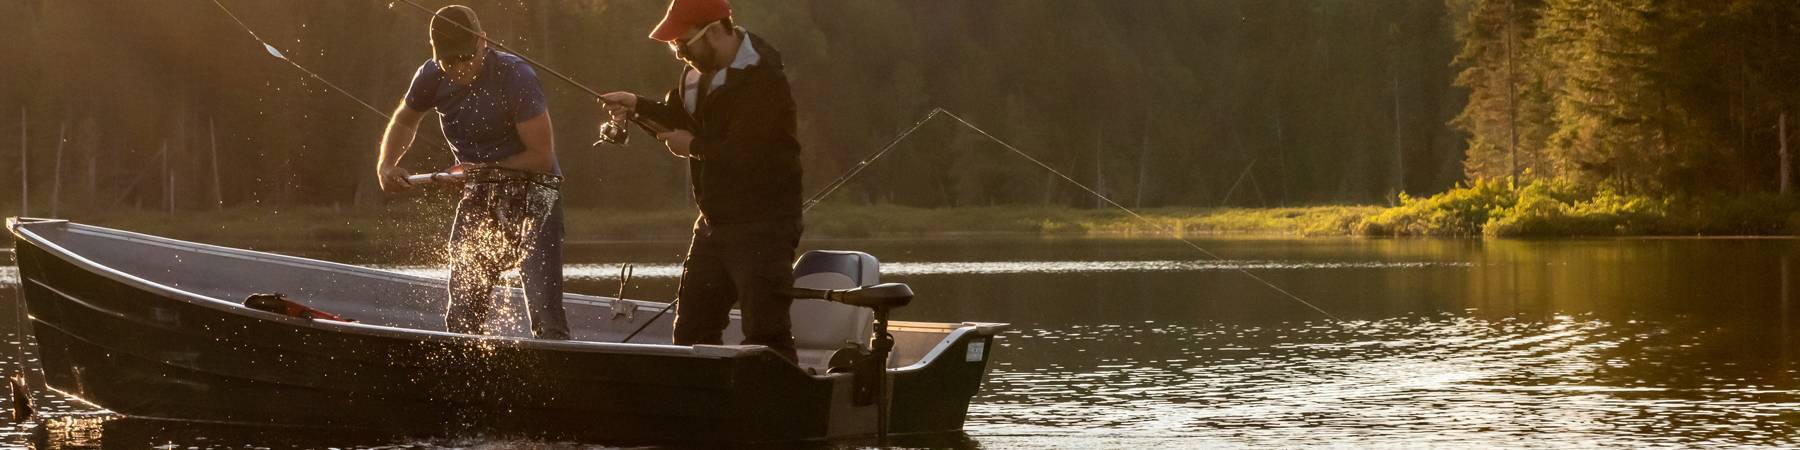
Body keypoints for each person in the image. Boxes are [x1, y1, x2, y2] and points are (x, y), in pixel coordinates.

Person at [600, 0, 804, 363]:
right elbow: (677, 119)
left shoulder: (765, 78)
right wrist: (638, 107)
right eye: (673, 46)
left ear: (714, 31)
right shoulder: (696, 74)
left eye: (683, 43)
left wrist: (693, 147)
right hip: (713, 225)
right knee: (692, 330)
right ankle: (708, 412)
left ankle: (775, 414)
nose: (678, 53)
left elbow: (747, 150)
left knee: (766, 334)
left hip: (764, 224)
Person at [376, 5, 569, 340]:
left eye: (465, 57)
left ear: (483, 41)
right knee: (464, 309)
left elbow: (540, 156)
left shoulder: (516, 76)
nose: (458, 68)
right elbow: (405, 119)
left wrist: (480, 170)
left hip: (535, 192)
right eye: (449, 60)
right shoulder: (430, 76)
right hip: (479, 191)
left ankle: (555, 365)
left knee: (545, 311)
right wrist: (387, 163)